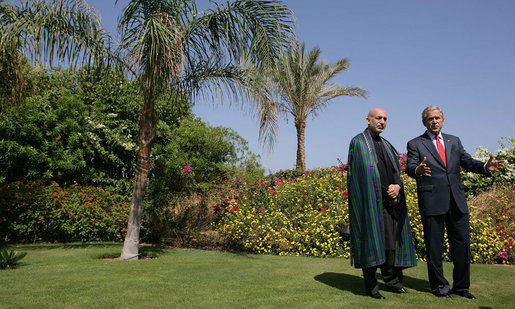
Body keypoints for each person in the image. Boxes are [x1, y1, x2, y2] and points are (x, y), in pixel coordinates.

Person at [406, 106, 504, 299]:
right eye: (430, 119)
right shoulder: (415, 143)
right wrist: (417, 170)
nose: (434, 121)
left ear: (443, 120)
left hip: (457, 202)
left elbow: (467, 162)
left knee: (462, 245)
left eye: (438, 118)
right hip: (433, 201)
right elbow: (410, 166)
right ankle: (440, 287)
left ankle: (461, 287)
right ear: (424, 122)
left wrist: (485, 166)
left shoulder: (454, 141)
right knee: (434, 247)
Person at [347, 108, 417, 299]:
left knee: (390, 245)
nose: (382, 121)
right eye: (378, 118)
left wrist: (397, 187)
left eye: (385, 119)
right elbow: (361, 175)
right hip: (370, 204)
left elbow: (396, 174)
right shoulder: (359, 143)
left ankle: (394, 282)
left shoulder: (388, 146)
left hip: (390, 203)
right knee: (371, 242)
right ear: (368, 120)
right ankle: (371, 288)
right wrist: (386, 189)